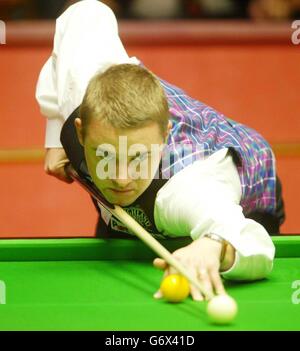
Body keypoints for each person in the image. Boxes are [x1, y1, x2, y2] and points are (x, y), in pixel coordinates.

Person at [36, 0, 284, 301]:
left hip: (250, 183)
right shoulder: (83, 90)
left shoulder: (193, 186)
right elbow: (86, 13)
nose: (121, 178)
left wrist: (215, 246)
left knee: (196, 239)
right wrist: (54, 136)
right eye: (106, 157)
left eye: (137, 157)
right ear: (80, 131)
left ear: (164, 137)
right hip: (150, 191)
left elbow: (256, 244)